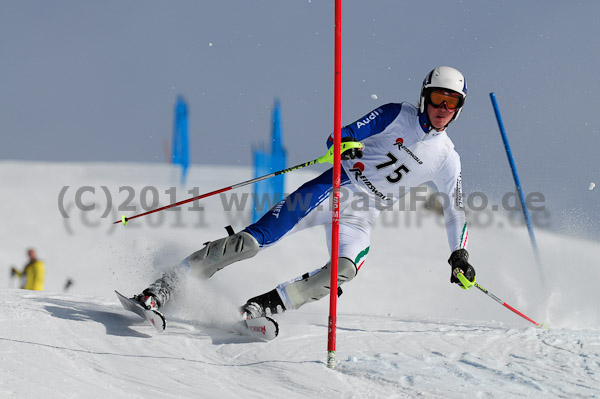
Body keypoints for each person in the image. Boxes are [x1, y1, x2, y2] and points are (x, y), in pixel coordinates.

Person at [133, 66, 477, 319]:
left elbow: (456, 210)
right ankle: (162, 290)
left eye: (451, 102)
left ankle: (260, 308)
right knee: (251, 243)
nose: (442, 107)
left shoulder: (448, 158)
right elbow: (340, 135)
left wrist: (458, 254)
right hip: (332, 189)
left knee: (345, 269)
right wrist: (346, 146)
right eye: (437, 97)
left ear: (458, 109)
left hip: (362, 215)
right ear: (424, 97)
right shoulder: (395, 114)